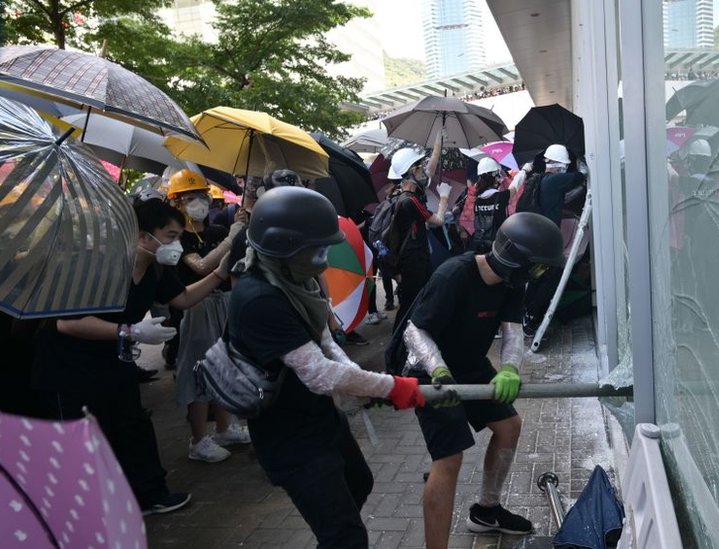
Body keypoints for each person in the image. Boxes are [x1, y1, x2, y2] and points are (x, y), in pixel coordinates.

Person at [227, 186, 426, 548]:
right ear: (284, 247)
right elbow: (318, 373)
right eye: (316, 248)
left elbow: (324, 341)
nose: (324, 256)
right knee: (345, 536)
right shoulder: (259, 299)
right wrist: (390, 386)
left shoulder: (294, 282)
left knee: (358, 485)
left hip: (318, 419)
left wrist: (365, 385)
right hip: (289, 437)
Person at [31, 199, 235, 515]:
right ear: (142, 236)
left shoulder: (156, 268)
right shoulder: (99, 264)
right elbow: (68, 322)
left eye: (178, 236)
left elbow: (182, 299)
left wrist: (220, 273)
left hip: (113, 361)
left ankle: (149, 494)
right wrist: (130, 332)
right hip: (68, 368)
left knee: (133, 425)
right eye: (169, 235)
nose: (176, 244)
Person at [398, 212, 565, 549]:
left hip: (470, 365)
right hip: (429, 370)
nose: (541, 274)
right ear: (516, 259)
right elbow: (415, 330)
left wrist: (510, 369)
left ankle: (486, 512)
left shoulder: (510, 283)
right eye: (537, 267)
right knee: (449, 457)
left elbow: (512, 332)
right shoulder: (453, 275)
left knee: (509, 426)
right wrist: (438, 370)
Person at [168, 169, 251, 463]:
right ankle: (199, 438)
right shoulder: (177, 238)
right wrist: (232, 237)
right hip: (196, 309)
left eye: (201, 196)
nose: (198, 202)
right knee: (198, 369)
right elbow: (201, 267)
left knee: (223, 366)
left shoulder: (215, 231)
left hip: (223, 304)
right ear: (175, 203)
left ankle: (225, 427)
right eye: (189, 198)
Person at [386, 139, 452, 328]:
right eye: (418, 168)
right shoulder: (410, 201)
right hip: (413, 259)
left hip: (413, 257)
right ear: (409, 174)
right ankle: (398, 346)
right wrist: (444, 197)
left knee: (418, 298)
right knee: (410, 303)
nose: (422, 171)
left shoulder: (400, 195)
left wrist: (438, 142)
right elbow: (438, 221)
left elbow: (430, 169)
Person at [522, 144, 586, 337]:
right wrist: (582, 164)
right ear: (559, 165)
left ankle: (527, 313)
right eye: (565, 165)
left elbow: (556, 201)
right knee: (550, 276)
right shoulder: (555, 180)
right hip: (547, 240)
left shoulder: (537, 179)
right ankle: (532, 318)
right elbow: (579, 177)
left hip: (535, 238)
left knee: (536, 276)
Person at [469, 157, 511, 253]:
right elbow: (515, 186)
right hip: (498, 245)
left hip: (481, 244)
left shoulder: (477, 199)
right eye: (498, 175)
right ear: (494, 176)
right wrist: (524, 171)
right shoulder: (501, 196)